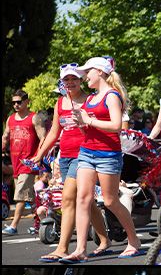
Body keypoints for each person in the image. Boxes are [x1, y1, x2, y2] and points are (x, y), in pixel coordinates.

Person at [62, 57, 143, 261]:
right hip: (87, 152)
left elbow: (117, 125)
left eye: (87, 72)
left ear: (99, 71)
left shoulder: (112, 96)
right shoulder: (90, 99)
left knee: (110, 201)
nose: (85, 76)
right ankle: (80, 249)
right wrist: (81, 122)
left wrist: (89, 119)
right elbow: (89, 127)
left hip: (108, 155)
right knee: (83, 198)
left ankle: (134, 241)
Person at [32, 64, 110, 260]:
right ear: (62, 82)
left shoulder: (90, 100)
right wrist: (40, 153)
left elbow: (99, 127)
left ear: (81, 80)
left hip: (84, 155)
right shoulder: (60, 103)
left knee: (68, 198)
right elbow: (54, 132)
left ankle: (62, 248)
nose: (70, 83)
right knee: (87, 201)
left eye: (74, 79)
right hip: (65, 156)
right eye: (66, 79)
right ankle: (104, 240)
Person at [2, 89, 47, 235]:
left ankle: (14, 226)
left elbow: (43, 138)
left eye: (19, 102)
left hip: (29, 163)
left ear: (27, 102)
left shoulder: (35, 118)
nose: (16, 105)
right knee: (30, 197)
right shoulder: (11, 119)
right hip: (15, 162)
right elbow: (5, 137)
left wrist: (39, 156)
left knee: (20, 195)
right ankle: (42, 220)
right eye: (13, 102)